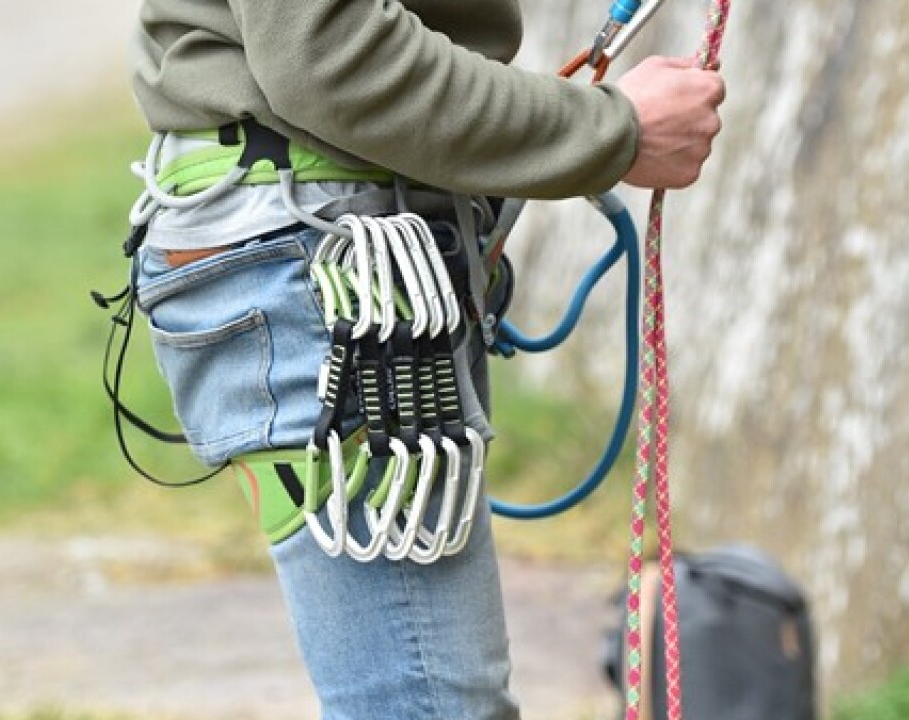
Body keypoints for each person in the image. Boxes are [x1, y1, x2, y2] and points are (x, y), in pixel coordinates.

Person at [127, 1, 724, 718]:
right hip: (324, 249)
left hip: (354, 243)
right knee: (431, 702)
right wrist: (609, 131)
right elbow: (330, 56)